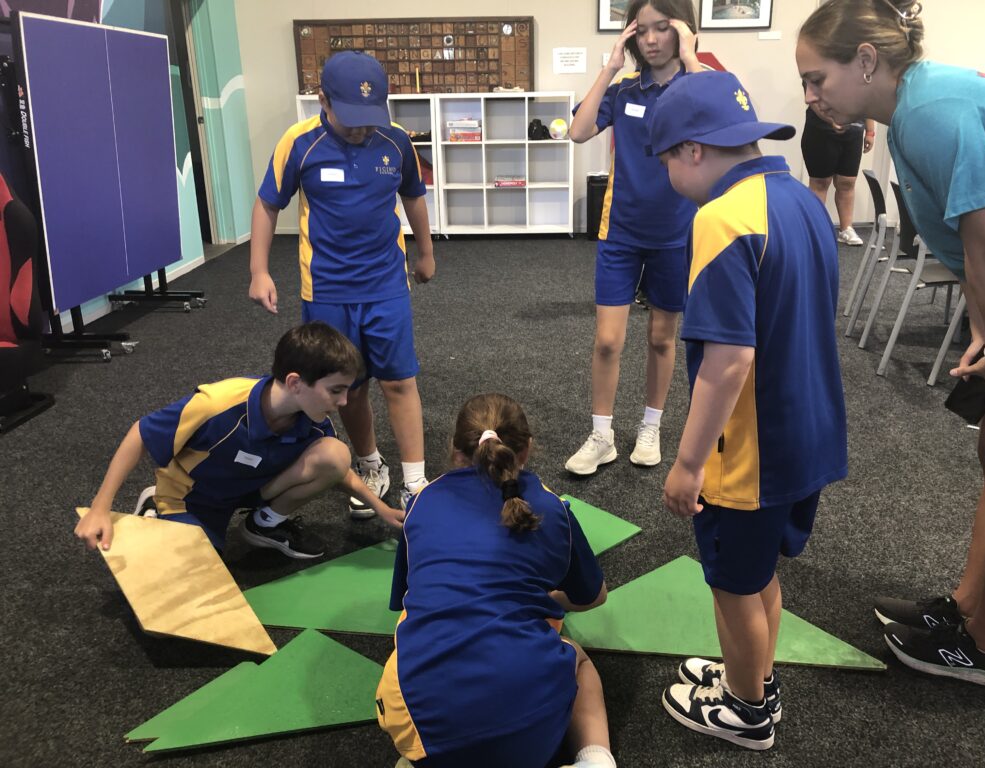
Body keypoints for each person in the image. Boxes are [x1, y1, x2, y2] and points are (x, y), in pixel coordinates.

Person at [798, 0, 985, 687]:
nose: (810, 96)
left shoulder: (928, 113)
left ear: (866, 62)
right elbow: (978, 248)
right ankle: (964, 609)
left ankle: (984, 649)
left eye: (817, 79)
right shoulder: (914, 110)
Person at [650, 70, 848, 750]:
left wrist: (686, 464)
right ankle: (756, 675)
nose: (670, 176)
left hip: (750, 453)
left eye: (666, 160)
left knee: (733, 584)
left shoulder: (721, 218)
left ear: (693, 150)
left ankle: (744, 710)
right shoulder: (799, 199)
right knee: (760, 574)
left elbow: (729, 361)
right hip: (809, 431)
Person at [376, 393, 615, 768]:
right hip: (528, 733)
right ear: (528, 449)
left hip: (418, 723)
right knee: (580, 660)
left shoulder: (421, 501)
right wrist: (550, 598)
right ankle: (596, 760)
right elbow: (594, 597)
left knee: (409, 633)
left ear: (456, 452)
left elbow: (410, 595)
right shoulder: (553, 509)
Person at [249, 50, 436, 519]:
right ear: (322, 100)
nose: (359, 129)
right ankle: (371, 464)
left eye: (369, 118)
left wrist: (426, 252)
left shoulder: (395, 142)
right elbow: (268, 203)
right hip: (327, 290)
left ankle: (415, 482)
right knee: (347, 387)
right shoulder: (300, 142)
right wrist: (258, 270)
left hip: (386, 285)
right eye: (349, 118)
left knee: (400, 380)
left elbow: (413, 197)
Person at [73, 322, 404, 559]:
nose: (344, 402)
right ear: (295, 383)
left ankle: (265, 526)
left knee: (336, 454)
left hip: (250, 491)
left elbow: (338, 470)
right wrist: (101, 508)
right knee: (192, 581)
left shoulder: (313, 421)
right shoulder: (217, 404)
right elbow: (140, 434)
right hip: (194, 499)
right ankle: (156, 508)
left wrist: (380, 507)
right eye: (336, 390)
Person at [564, 0, 701, 476]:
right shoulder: (624, 91)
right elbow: (579, 131)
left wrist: (692, 56)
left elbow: (717, 121)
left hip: (677, 233)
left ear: (682, 31)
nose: (650, 39)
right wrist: (609, 68)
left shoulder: (695, 86)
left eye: (663, 28)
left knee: (663, 339)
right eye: (641, 30)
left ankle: (651, 425)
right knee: (607, 341)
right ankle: (602, 435)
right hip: (620, 231)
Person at [800, 102, 876, 245]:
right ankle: (816, 230)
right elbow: (812, 98)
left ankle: (846, 229)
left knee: (847, 182)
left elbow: (867, 99)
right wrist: (831, 120)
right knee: (820, 182)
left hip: (854, 131)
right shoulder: (818, 78)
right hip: (821, 130)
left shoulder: (863, 78)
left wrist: (870, 131)